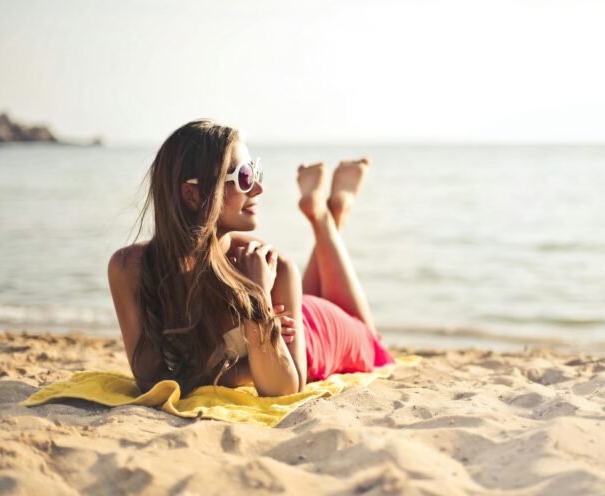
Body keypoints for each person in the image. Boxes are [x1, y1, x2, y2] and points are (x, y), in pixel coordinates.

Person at [107, 120, 394, 397]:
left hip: (319, 333)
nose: (258, 188)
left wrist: (257, 299)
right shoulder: (129, 269)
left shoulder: (271, 267)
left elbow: (284, 389)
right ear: (191, 195)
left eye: (255, 172)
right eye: (244, 177)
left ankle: (324, 215)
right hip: (285, 318)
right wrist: (251, 355)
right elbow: (149, 380)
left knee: (372, 342)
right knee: (322, 300)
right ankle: (330, 212)